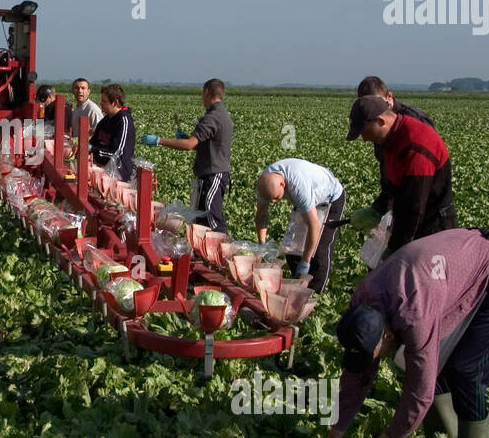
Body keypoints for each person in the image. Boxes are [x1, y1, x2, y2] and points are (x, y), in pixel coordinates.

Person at [329, 228, 489, 438]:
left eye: (374, 355)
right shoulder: (363, 299)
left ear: (388, 335)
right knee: (436, 365)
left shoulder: (415, 315)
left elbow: (420, 393)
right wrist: (337, 430)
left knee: (466, 370)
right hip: (443, 274)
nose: (372, 363)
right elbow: (357, 373)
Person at [347, 95, 456, 256]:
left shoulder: (415, 146)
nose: (363, 139)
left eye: (364, 131)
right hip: (407, 220)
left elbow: (413, 207)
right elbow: (392, 186)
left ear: (380, 121)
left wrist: (396, 250)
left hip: (432, 228)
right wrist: (377, 208)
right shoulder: (389, 141)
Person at [140, 78, 232, 232]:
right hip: (212, 174)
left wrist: (159, 141)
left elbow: (189, 145)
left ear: (207, 92)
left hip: (213, 174)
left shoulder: (212, 117)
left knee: (212, 218)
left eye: (203, 94)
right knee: (202, 219)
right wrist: (185, 139)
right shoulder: (221, 114)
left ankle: (220, 250)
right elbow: (205, 145)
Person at [348, 77, 436, 231]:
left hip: (422, 206)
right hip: (398, 200)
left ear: (389, 97)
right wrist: (379, 208)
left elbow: (419, 182)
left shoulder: (415, 121)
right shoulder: (375, 125)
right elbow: (388, 169)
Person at [254, 158, 345, 293]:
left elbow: (314, 227)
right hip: (306, 201)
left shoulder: (299, 188)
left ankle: (314, 295)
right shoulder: (265, 184)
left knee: (319, 252)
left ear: (282, 184)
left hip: (330, 198)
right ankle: (297, 286)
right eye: (270, 199)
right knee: (293, 249)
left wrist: (305, 262)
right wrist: (262, 245)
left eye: (276, 198)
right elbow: (261, 216)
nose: (273, 202)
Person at [90, 84, 135, 181]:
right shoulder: (105, 120)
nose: (101, 104)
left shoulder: (124, 121)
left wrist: (93, 150)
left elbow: (120, 155)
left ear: (115, 102)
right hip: (101, 171)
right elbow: (93, 142)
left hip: (118, 176)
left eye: (104, 101)